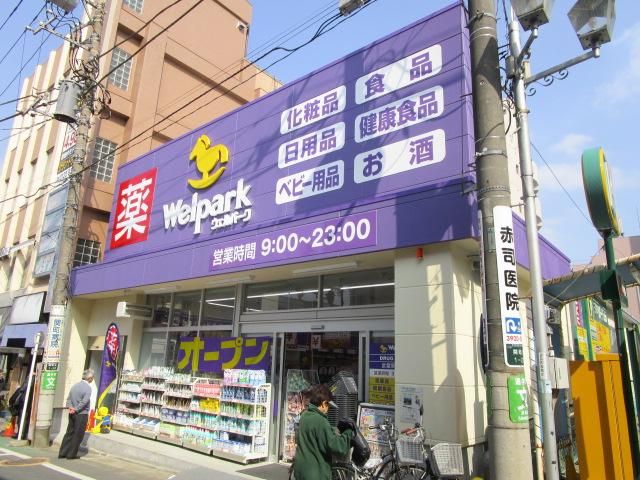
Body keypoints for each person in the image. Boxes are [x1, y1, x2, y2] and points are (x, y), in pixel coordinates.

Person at [293, 384, 354, 480]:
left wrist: (332, 429)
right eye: (328, 406)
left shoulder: (305, 416)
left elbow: (314, 433)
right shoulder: (321, 421)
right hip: (315, 473)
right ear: (324, 403)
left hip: (301, 471)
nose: (328, 409)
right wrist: (349, 432)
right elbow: (338, 447)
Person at [58, 369, 94, 459]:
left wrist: (70, 408)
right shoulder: (88, 388)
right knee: (78, 434)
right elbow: (84, 401)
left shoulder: (75, 386)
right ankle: (71, 454)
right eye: (92, 377)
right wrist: (76, 409)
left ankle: (63, 452)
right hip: (81, 413)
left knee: (69, 432)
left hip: (72, 413)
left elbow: (69, 399)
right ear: (89, 378)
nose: (92, 379)